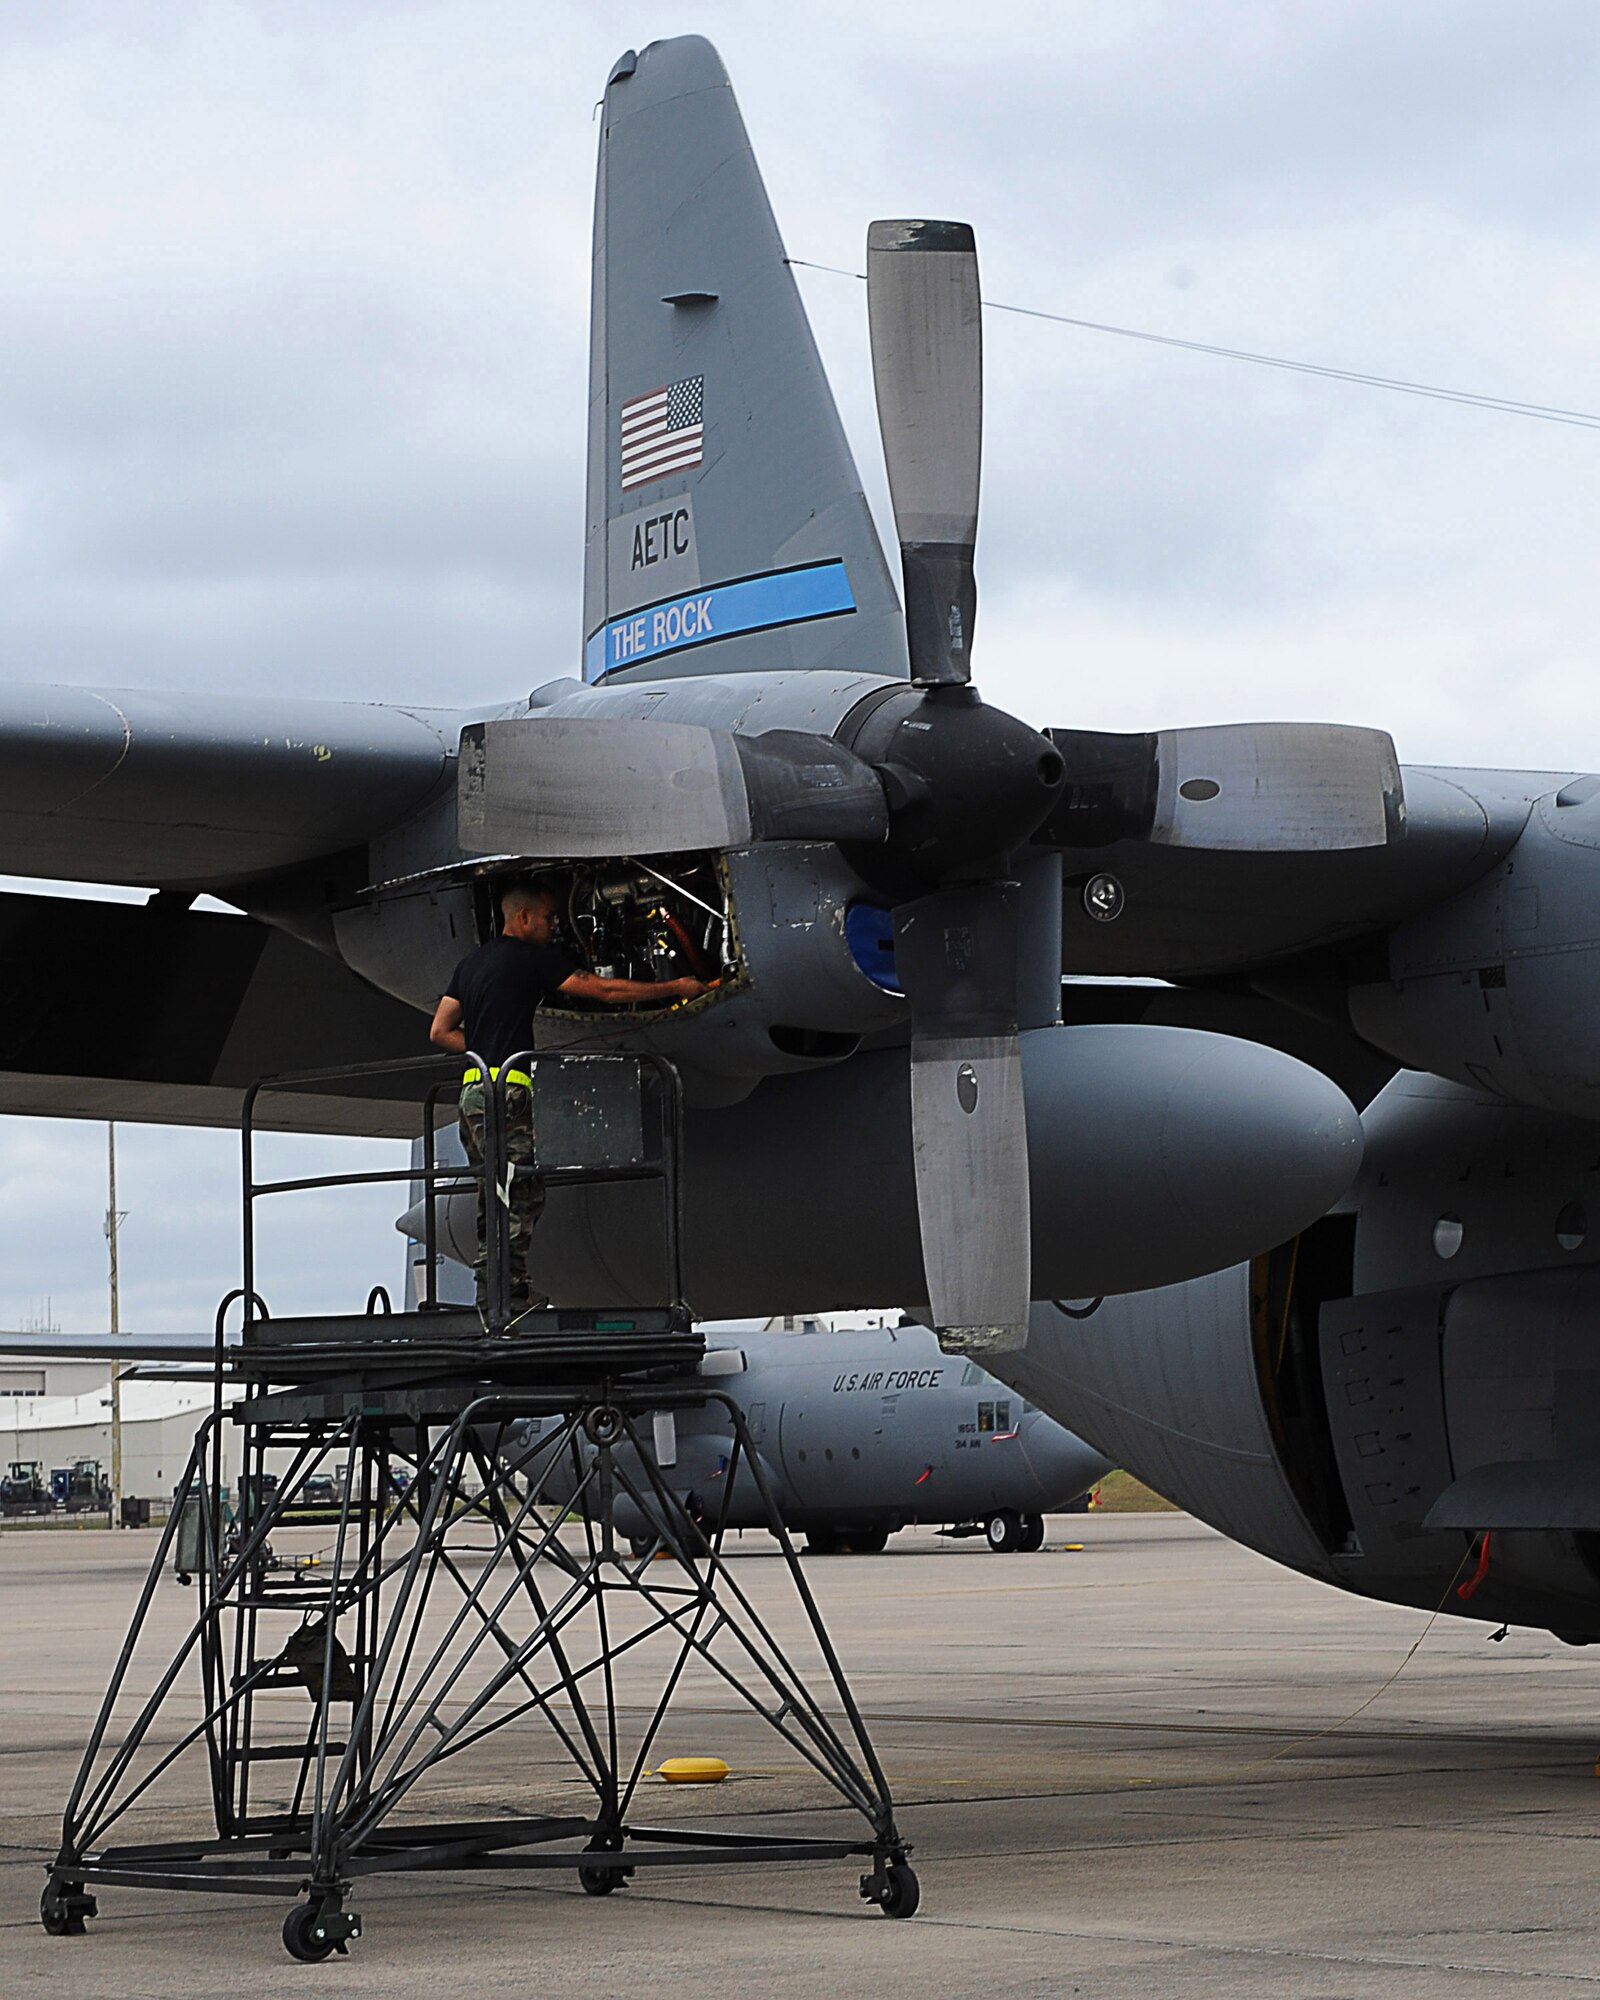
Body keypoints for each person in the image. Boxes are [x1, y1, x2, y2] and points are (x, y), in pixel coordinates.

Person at [429, 881, 709, 1317]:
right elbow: (604, 990)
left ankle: (495, 1294)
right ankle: (507, 1300)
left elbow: (440, 1030)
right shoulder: (530, 959)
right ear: (522, 918)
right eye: (547, 918)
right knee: (519, 1192)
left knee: (494, 1191)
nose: (554, 925)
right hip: (509, 1095)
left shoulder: (470, 964)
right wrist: (676, 988)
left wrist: (485, 1050)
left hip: (472, 1093)